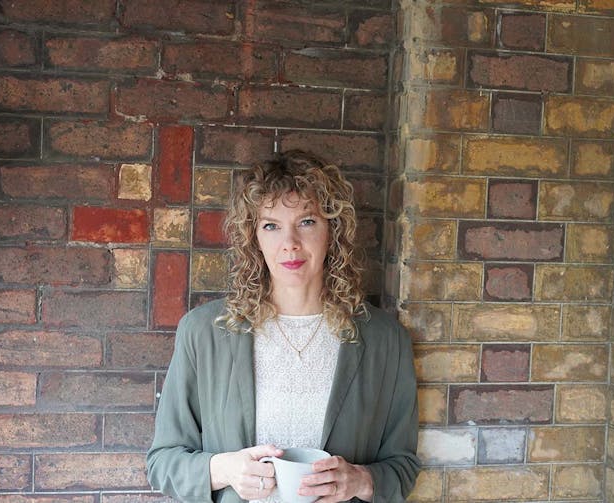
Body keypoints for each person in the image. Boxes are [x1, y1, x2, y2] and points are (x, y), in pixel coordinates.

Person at [146, 150, 420, 503]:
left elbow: (404, 466)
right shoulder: (204, 332)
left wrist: (360, 480)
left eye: (306, 221)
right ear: (253, 238)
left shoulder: (385, 339)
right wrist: (226, 470)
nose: (289, 243)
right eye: (271, 225)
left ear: (331, 230)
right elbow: (163, 461)